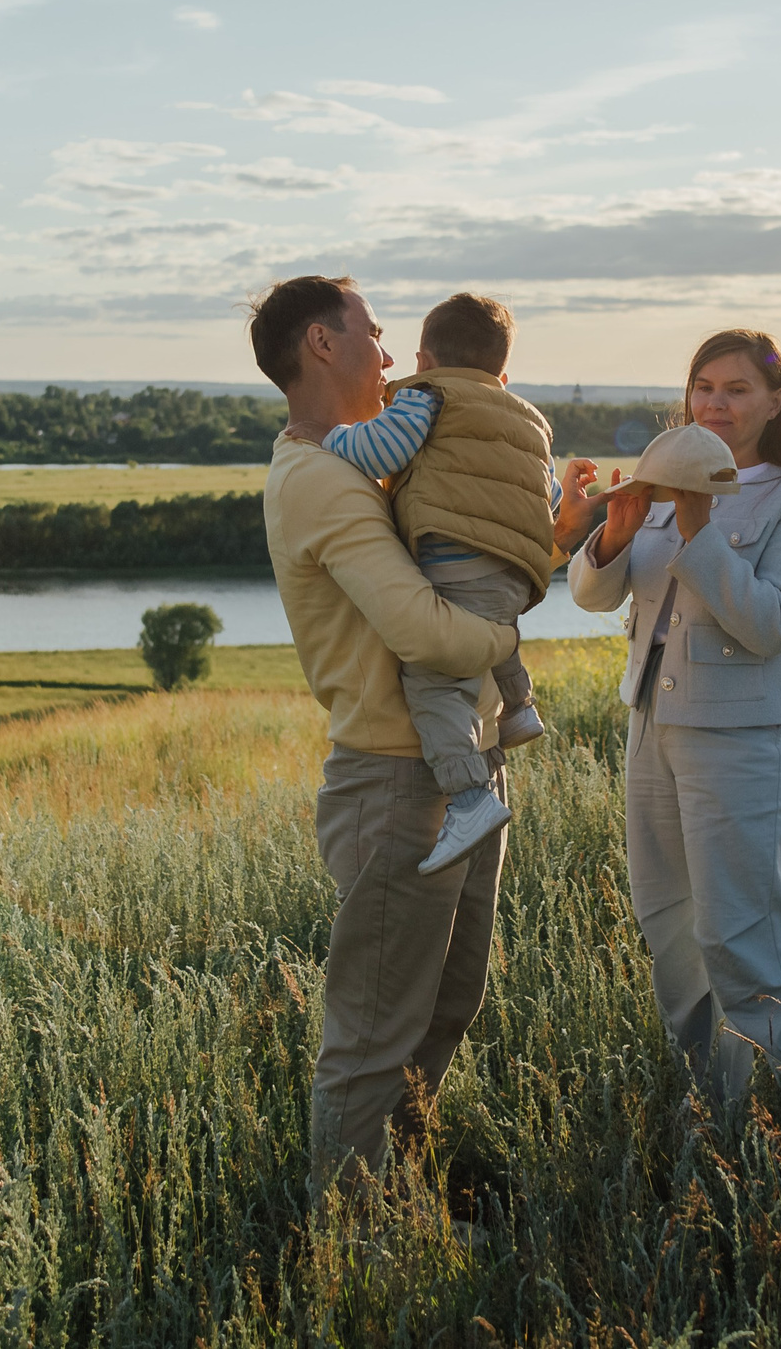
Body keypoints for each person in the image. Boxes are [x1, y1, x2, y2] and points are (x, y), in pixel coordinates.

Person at [249, 274, 588, 1191]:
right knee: (372, 1035)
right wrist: (513, 628)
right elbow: (428, 631)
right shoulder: (317, 477)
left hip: (463, 764)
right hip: (396, 782)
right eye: (375, 334)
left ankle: (401, 1194)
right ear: (323, 344)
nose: (392, 356)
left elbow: (464, 560)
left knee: (446, 1005)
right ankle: (354, 1250)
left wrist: (555, 537)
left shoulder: (378, 464)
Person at [568, 328, 781, 1100]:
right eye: (703, 386)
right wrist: (612, 542)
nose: (715, 403)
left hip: (741, 742)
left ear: (774, 402)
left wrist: (696, 527)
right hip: (650, 730)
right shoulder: (670, 477)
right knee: (671, 929)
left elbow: (768, 624)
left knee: (747, 935)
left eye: (736, 389)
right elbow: (596, 594)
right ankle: (718, 1105)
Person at [315, 292, 576, 876]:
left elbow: (385, 447)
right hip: (516, 569)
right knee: (494, 624)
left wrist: (331, 441)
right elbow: (547, 496)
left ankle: (468, 798)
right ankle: (518, 707)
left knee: (433, 685)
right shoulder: (530, 421)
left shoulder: (425, 395)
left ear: (424, 359)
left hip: (455, 561)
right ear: (501, 374)